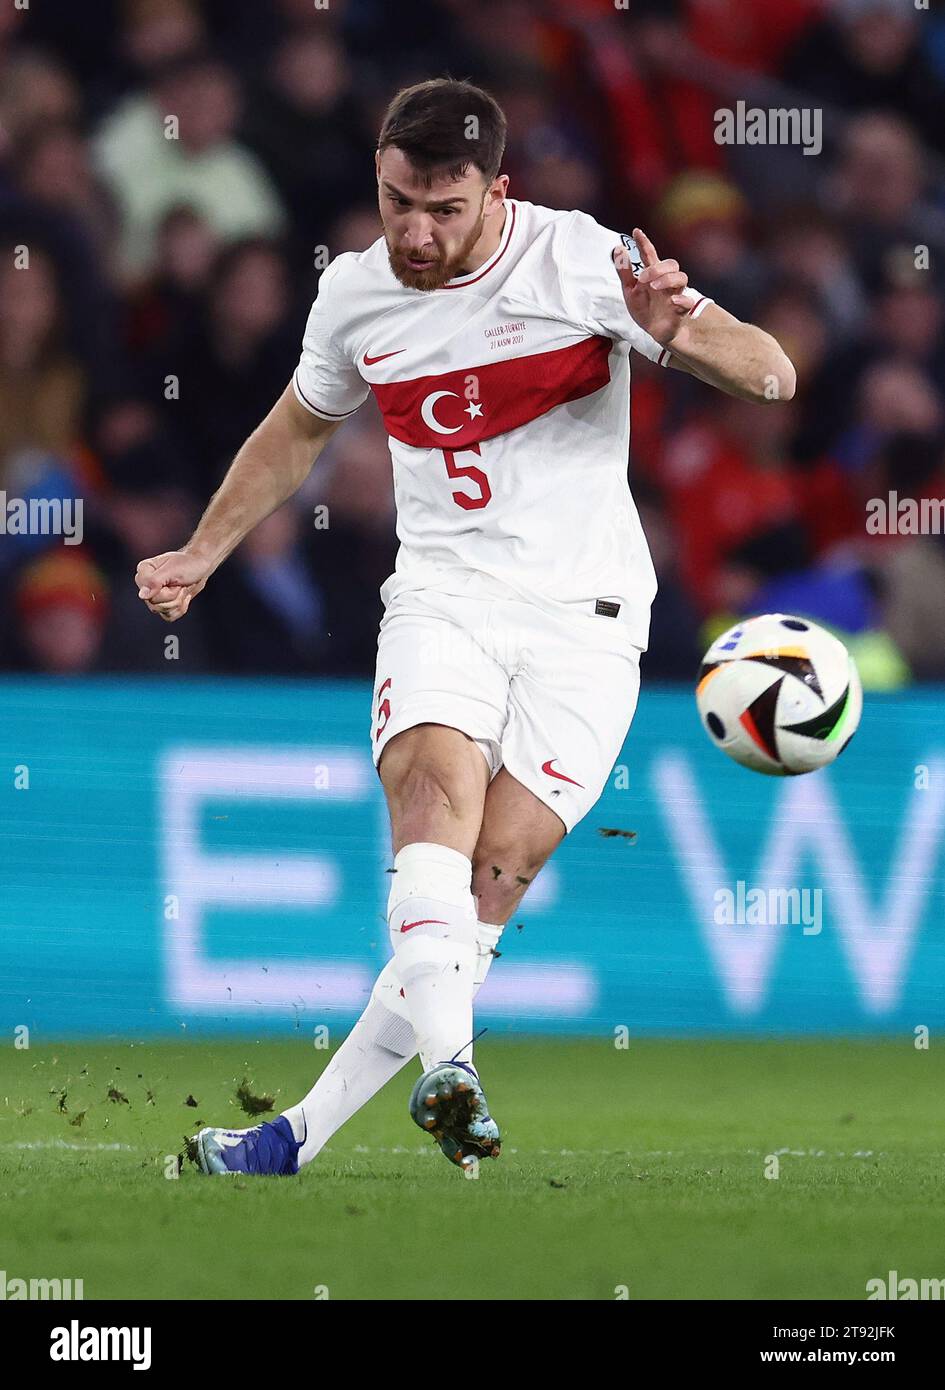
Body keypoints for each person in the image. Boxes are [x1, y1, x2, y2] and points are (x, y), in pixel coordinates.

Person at [134, 78, 795, 1176]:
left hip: (590, 618)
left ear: (498, 191)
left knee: (491, 878)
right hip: (446, 593)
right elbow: (297, 431)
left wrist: (675, 329)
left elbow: (770, 374)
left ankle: (294, 1138)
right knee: (431, 801)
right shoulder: (353, 296)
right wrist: (203, 552)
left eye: (444, 209)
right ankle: (459, 1070)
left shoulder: (583, 263)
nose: (417, 232)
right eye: (398, 203)